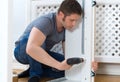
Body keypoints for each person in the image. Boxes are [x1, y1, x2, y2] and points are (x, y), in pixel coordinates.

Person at [14, 0, 98, 82]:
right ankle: (35, 74)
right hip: (22, 52)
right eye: (72, 20)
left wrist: (86, 64)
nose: (74, 24)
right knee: (36, 45)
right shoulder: (46, 21)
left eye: (76, 21)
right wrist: (58, 65)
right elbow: (31, 48)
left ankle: (33, 70)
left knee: (67, 70)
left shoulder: (66, 29)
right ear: (61, 14)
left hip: (39, 53)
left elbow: (68, 55)